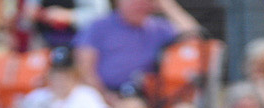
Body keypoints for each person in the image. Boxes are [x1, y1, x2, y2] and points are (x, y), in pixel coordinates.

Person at [71, 0, 201, 101]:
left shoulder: (158, 28)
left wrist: (168, 6)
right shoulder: (98, 26)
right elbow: (84, 70)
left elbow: (196, 37)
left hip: (144, 99)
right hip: (103, 96)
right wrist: (105, 96)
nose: (139, 4)